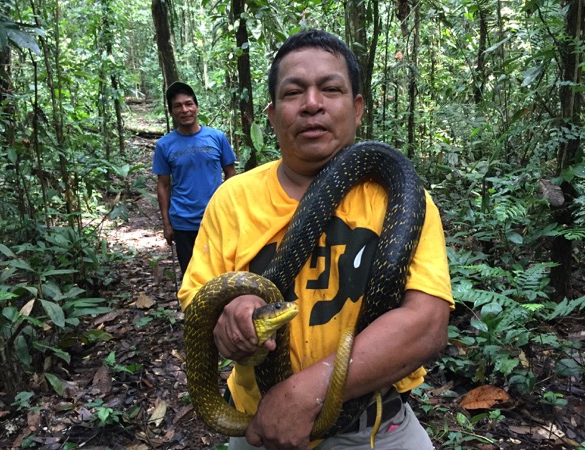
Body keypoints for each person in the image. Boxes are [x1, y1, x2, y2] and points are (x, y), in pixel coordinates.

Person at [179, 29, 454, 450]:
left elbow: (427, 326)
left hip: (375, 426)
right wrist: (231, 315)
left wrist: (305, 392)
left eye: (330, 89)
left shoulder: (406, 199)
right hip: (261, 424)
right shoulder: (233, 199)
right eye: (294, 92)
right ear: (271, 114)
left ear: (357, 108)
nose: (312, 104)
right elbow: (198, 302)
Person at [153, 81, 236, 275]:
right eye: (178, 106)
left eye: (188, 104)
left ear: (196, 107)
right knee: (192, 275)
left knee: (220, 274)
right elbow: (163, 186)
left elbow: (231, 175)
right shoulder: (164, 145)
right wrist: (166, 223)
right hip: (182, 222)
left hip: (215, 219)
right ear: (171, 112)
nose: (185, 109)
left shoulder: (217, 137)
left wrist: (231, 211)